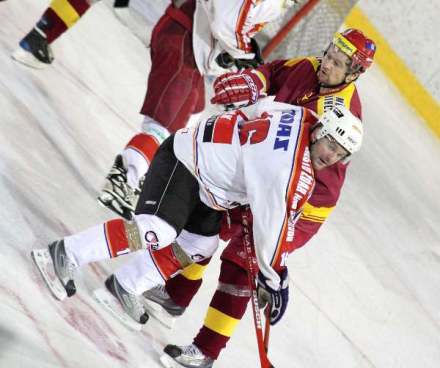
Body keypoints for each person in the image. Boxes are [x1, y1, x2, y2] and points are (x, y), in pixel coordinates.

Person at [31, 100, 362, 338]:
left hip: (209, 176)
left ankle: (125, 286)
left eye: (340, 153)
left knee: (199, 244)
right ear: (321, 131)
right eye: (331, 143)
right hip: (186, 161)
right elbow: (271, 230)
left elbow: (252, 110)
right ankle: (65, 253)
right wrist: (275, 280)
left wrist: (235, 166)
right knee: (156, 230)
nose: (331, 155)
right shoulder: (289, 168)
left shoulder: (299, 114)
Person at [145, 28, 376, 367]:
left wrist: (276, 250)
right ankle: (175, 297)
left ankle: (207, 351)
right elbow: (273, 73)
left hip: (298, 201)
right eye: (328, 55)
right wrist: (254, 81)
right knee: (207, 222)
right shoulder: (308, 66)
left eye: (338, 63)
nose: (326, 65)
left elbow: (317, 180)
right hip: (259, 173)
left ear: (354, 74)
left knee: (242, 262)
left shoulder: (340, 114)